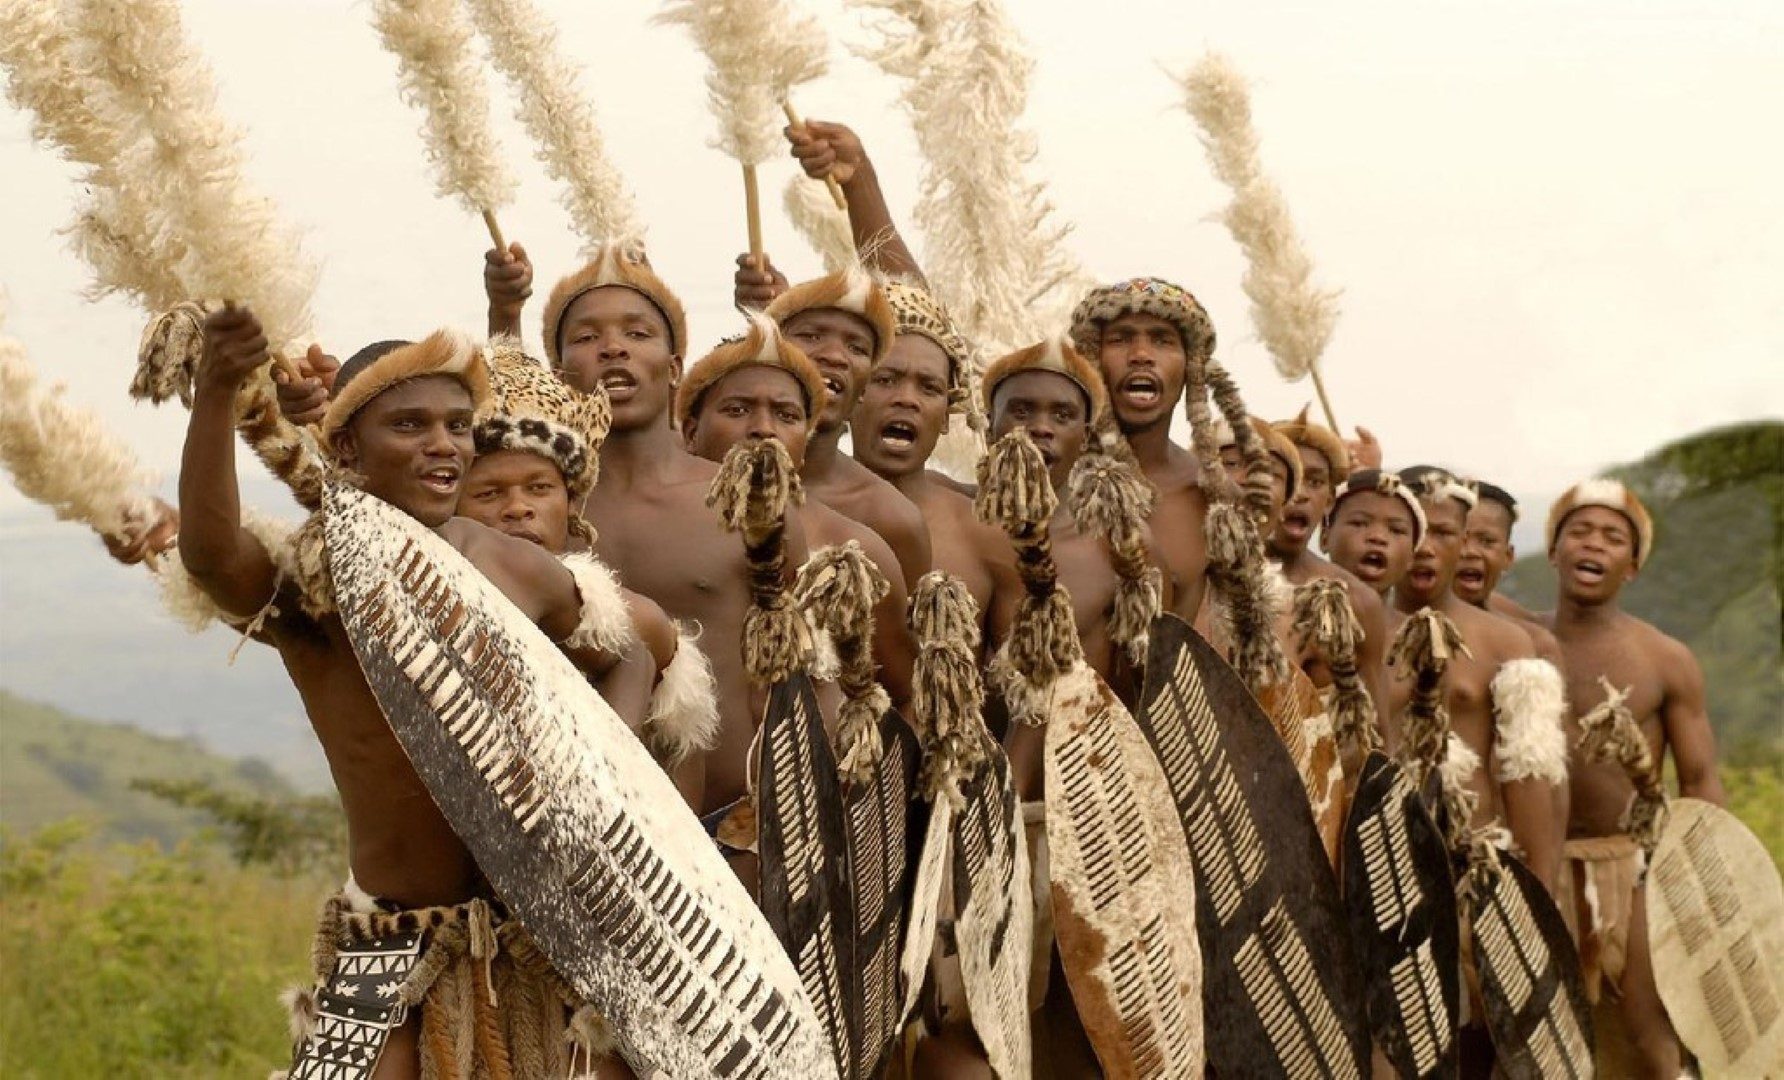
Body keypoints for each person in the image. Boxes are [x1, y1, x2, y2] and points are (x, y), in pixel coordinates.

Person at [182, 309, 612, 1078]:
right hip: (389, 945)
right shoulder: (316, 591)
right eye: (410, 426)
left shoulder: (509, 569)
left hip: (540, 943)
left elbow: (637, 646)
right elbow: (213, 556)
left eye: (457, 425)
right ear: (346, 447)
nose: (443, 445)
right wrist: (216, 393)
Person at [1544, 479, 1723, 1078]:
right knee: (1539, 1038)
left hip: (1637, 866)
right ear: (1554, 551)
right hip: (1537, 863)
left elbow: (1701, 782)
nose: (1593, 544)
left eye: (1612, 537)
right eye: (1580, 531)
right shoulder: (1518, 641)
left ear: (1633, 566)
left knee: (1649, 1035)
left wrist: (1704, 885)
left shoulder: (1664, 658)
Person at [1391, 467, 1568, 892]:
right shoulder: (1353, 629)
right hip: (1378, 865)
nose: (1424, 547)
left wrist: (1538, 894)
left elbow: (1527, 776)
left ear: (1463, 541)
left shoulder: (1507, 643)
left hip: (1473, 863)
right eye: (1411, 530)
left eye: (1442, 533)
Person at [851, 281, 1020, 646]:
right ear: (853, 394)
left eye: (928, 387)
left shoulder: (986, 532)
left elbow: (1029, 686)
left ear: (946, 415)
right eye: (886, 380)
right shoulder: (801, 513)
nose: (906, 399)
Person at [754, 265, 934, 589]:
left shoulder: (894, 521)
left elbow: (899, 640)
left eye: (857, 348)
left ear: (865, 387)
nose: (836, 356)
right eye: (812, 336)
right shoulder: (704, 474)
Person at [1068, 277, 1214, 623]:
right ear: (1091, 358)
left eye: (1163, 341)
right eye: (1120, 339)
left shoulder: (1214, 498)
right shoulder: (1048, 477)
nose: (1141, 356)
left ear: (1191, 368)